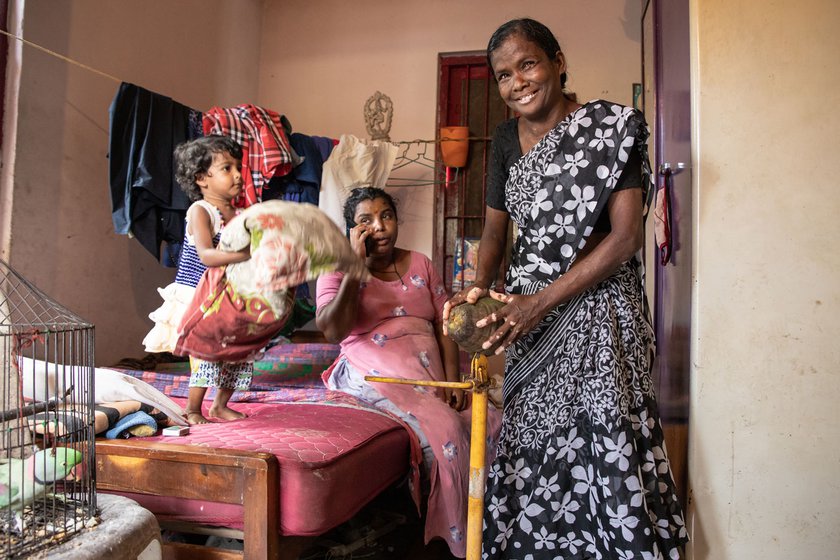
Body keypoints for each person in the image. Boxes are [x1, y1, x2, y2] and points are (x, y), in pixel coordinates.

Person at [442, 18, 688, 559]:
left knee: (604, 440)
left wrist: (538, 303)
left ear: (557, 61)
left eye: (527, 64)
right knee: (536, 448)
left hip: (600, 312)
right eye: (503, 75)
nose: (517, 83)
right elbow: (494, 232)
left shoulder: (613, 129)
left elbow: (624, 240)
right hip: (530, 320)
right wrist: (477, 287)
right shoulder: (507, 138)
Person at [315, 187, 501, 559]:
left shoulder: (421, 262)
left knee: (491, 419)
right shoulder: (335, 267)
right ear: (351, 230)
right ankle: (454, 541)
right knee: (447, 431)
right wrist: (354, 266)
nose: (379, 227)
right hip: (374, 376)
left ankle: (494, 524)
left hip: (430, 376)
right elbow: (332, 330)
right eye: (365, 221)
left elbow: (444, 322)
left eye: (386, 216)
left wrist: (453, 381)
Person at [142, 135, 252, 425]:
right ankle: (193, 409)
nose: (238, 174)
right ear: (202, 178)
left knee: (238, 352)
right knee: (205, 356)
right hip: (198, 295)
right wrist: (247, 254)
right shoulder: (199, 211)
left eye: (238, 167)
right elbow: (206, 255)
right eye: (227, 168)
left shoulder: (240, 214)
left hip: (228, 295)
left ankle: (220, 405)